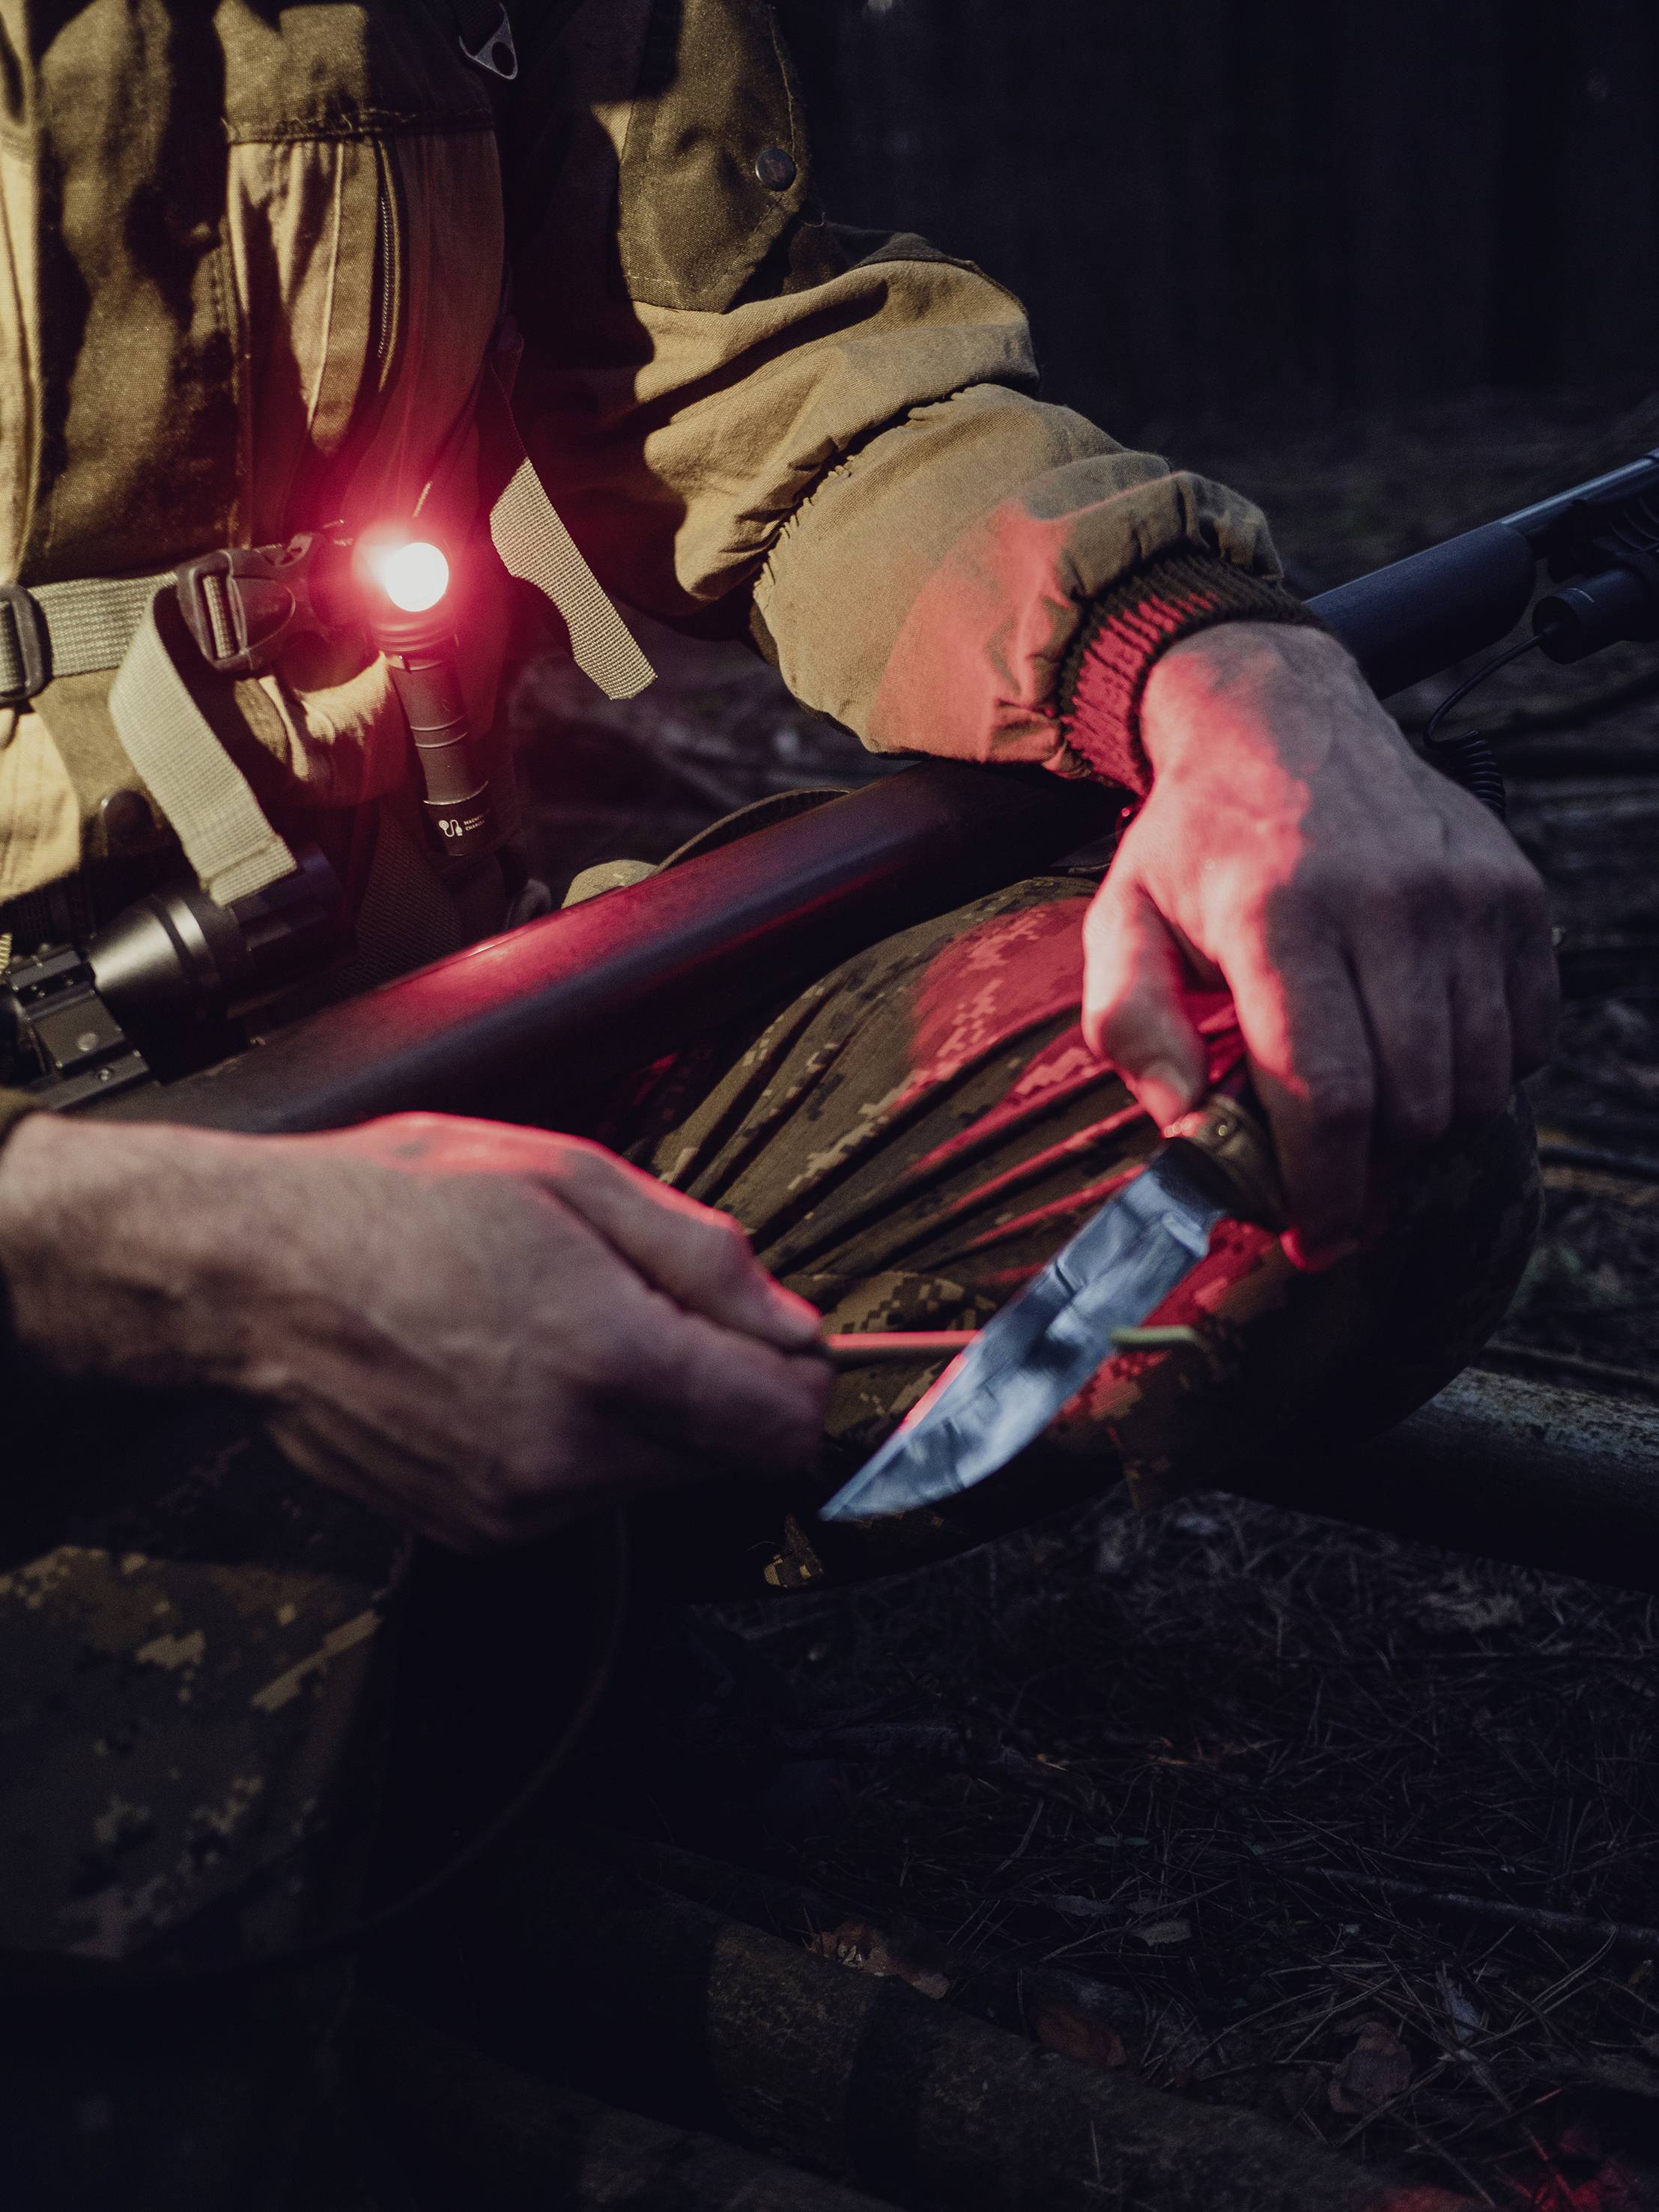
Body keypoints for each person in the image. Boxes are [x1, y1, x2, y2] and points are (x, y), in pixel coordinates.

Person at [0, 2, 1553, 2202]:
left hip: (429, 1052)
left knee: (1315, 1082)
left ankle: (456, 1612)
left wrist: (1219, 672)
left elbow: (739, 358)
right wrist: (141, 1262)